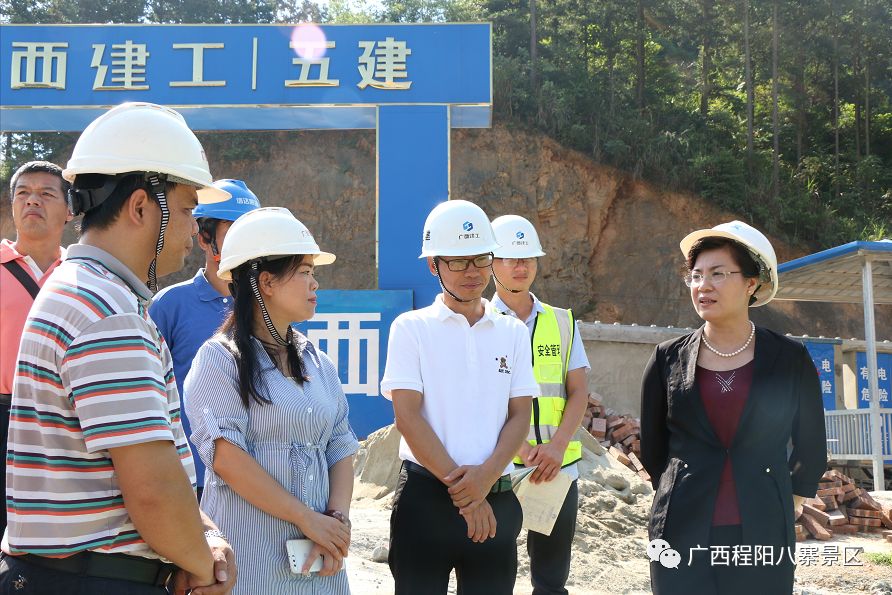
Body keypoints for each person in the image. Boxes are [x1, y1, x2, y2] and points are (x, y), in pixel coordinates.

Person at [1, 102, 236, 594]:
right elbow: (150, 490)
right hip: (94, 579)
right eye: (189, 208)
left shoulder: (83, 287)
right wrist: (204, 562)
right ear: (141, 207)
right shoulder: (107, 311)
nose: (194, 232)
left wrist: (204, 535)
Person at [640, 221, 826, 595]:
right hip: (682, 528)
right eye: (695, 276)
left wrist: (787, 497)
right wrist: (682, 488)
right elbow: (654, 446)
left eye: (718, 274)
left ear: (751, 283)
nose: (703, 286)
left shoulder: (788, 358)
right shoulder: (667, 359)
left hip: (761, 528)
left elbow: (810, 441)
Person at [184, 207, 359, 594]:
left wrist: (335, 521)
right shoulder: (219, 360)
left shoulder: (318, 361)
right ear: (266, 281)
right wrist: (306, 519)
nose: (315, 284)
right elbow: (226, 458)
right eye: (305, 273)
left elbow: (340, 444)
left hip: (319, 563)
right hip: (250, 560)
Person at [381, 199, 538, 595]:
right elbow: (407, 416)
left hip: (496, 497)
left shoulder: (513, 333)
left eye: (481, 259)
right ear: (433, 265)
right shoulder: (411, 329)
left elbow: (520, 414)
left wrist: (484, 481)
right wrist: (467, 495)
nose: (472, 272)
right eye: (457, 261)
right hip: (426, 501)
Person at [489, 214, 590, 595]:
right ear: (492, 262)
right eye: (511, 259)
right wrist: (523, 449)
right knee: (494, 569)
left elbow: (578, 389)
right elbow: (479, 398)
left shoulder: (562, 322)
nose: (521, 267)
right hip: (498, 468)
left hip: (556, 467)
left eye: (528, 258)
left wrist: (556, 447)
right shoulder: (478, 322)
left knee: (551, 576)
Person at [150, 179, 261, 497]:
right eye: (233, 231)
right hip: (189, 478)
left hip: (258, 478)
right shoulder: (170, 305)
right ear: (204, 237)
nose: (245, 243)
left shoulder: (270, 305)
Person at [0, 161, 72, 537]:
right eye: (23, 193)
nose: (32, 201)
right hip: (3, 411)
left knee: (52, 528)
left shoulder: (81, 274)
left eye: (46, 193)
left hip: (63, 418)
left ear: (70, 210)